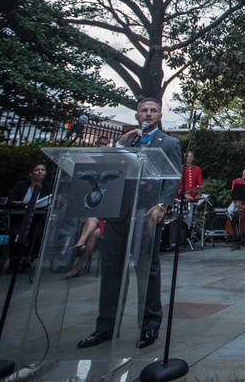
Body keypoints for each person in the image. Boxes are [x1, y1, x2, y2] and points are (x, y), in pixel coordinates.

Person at [77, 97, 180, 351]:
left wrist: (162, 205)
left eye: (153, 110)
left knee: (146, 269)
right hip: (118, 213)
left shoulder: (170, 143)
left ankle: (149, 326)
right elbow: (107, 167)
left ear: (159, 115)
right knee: (111, 267)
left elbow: (173, 178)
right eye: (144, 110)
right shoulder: (126, 141)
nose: (148, 114)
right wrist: (117, 144)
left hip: (147, 214)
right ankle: (106, 326)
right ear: (137, 115)